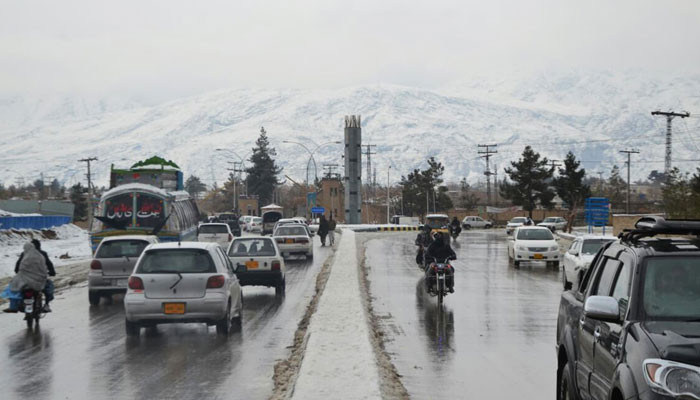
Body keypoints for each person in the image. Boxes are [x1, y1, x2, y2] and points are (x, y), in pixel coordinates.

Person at [3, 242, 48, 312]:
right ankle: (46, 304)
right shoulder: (40, 256)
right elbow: (44, 268)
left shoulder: (24, 256)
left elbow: (19, 267)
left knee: (13, 286)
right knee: (47, 288)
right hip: (38, 282)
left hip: (25, 281)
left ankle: (14, 307)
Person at [15, 239, 56, 312]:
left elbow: (18, 265)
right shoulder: (43, 253)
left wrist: (18, 271)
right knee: (49, 288)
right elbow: (49, 264)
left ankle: (20, 304)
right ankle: (46, 304)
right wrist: (52, 272)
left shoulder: (24, 254)